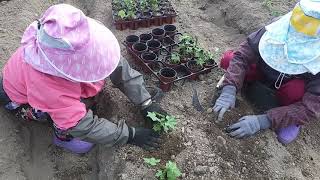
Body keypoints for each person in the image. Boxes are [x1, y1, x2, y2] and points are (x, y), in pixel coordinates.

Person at [0, 4, 165, 154]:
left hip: (35, 83)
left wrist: (145, 102)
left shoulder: (75, 40)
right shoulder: (46, 84)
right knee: (66, 120)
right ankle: (63, 138)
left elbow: (114, 64)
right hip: (20, 100)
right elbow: (79, 124)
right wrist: (130, 135)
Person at [213, 0, 320, 144]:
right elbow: (242, 55)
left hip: (287, 90)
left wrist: (265, 121)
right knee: (229, 59)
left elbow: (310, 108)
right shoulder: (278, 27)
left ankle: (291, 121)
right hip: (263, 72)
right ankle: (245, 87)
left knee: (295, 91)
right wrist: (229, 89)